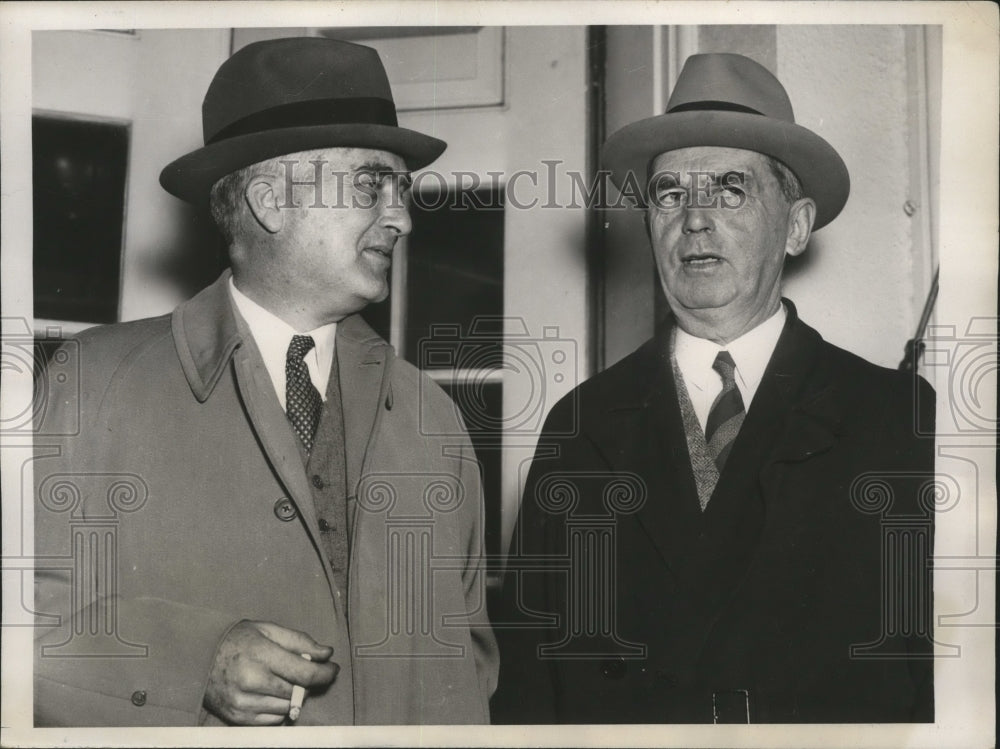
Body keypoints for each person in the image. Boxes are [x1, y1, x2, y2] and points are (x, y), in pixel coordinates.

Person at [33, 37, 497, 726]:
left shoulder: (434, 418)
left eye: (402, 189)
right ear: (269, 200)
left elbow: (472, 669)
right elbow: (23, 635)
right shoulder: (92, 385)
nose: (402, 216)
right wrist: (194, 663)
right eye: (373, 183)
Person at [491, 53, 935, 724]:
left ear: (795, 225)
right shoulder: (581, 426)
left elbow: (945, 678)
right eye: (670, 193)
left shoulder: (897, 419)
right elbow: (529, 689)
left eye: (731, 187)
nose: (694, 219)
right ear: (648, 223)